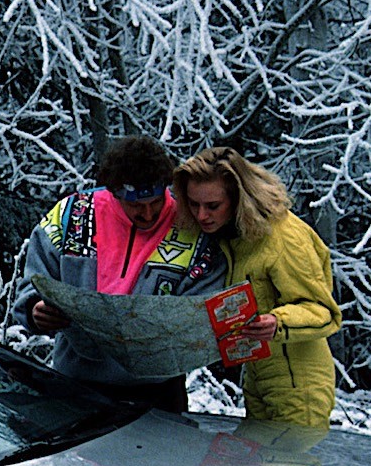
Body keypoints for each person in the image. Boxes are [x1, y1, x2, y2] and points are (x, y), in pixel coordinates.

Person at [14, 136, 225, 411]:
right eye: (136, 205)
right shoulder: (70, 216)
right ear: (113, 192)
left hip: (158, 394)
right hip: (75, 385)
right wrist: (35, 309)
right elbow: (33, 282)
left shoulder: (192, 228)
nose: (148, 214)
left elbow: (207, 304)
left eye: (155, 201)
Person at [173, 146, 341, 428]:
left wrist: (278, 322)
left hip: (300, 383)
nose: (201, 215)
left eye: (213, 206)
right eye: (193, 204)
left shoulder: (285, 237)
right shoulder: (234, 237)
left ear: (240, 198)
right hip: (257, 378)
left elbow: (324, 311)